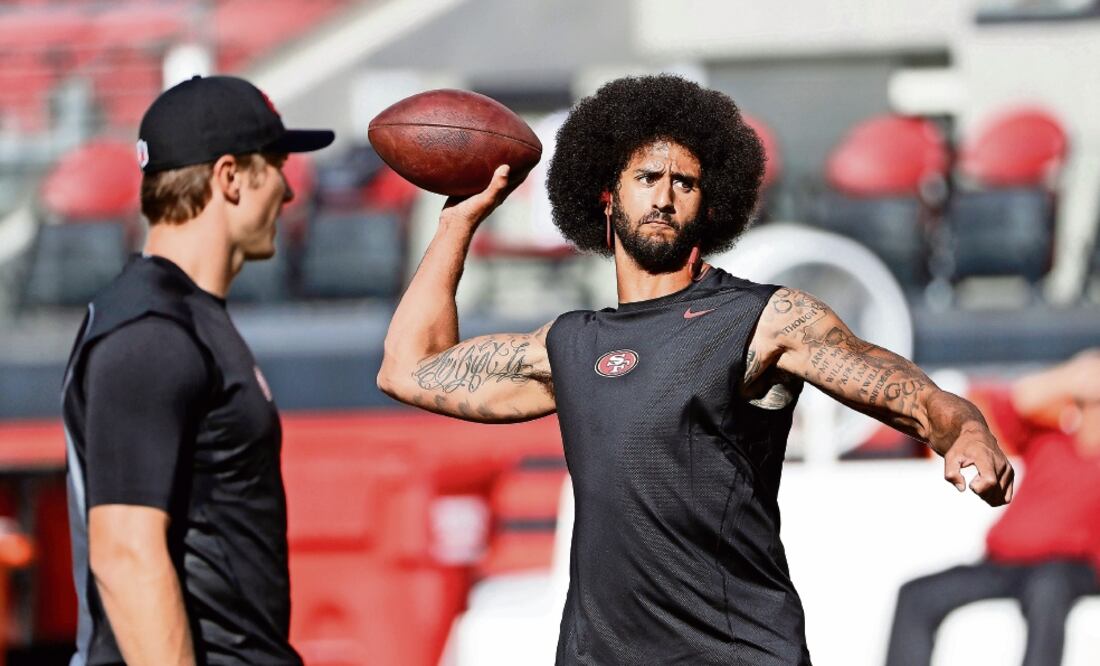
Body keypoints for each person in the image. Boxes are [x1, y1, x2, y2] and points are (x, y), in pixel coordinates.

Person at [377, 75, 1014, 665]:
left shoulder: (762, 319)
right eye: (647, 177)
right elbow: (409, 369)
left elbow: (898, 384)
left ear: (709, 205)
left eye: (685, 183)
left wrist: (962, 429)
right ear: (607, 195)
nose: (664, 196)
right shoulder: (568, 345)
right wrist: (458, 221)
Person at [62, 75, 333, 666]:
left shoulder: (185, 316)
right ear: (230, 177)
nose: (289, 191)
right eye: (278, 164)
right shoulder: (150, 332)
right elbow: (126, 553)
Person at [885, 351, 1100, 666]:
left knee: (1048, 588)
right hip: (1003, 564)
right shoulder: (1051, 440)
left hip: (1073, 568)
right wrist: (1072, 374)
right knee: (917, 594)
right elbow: (1013, 404)